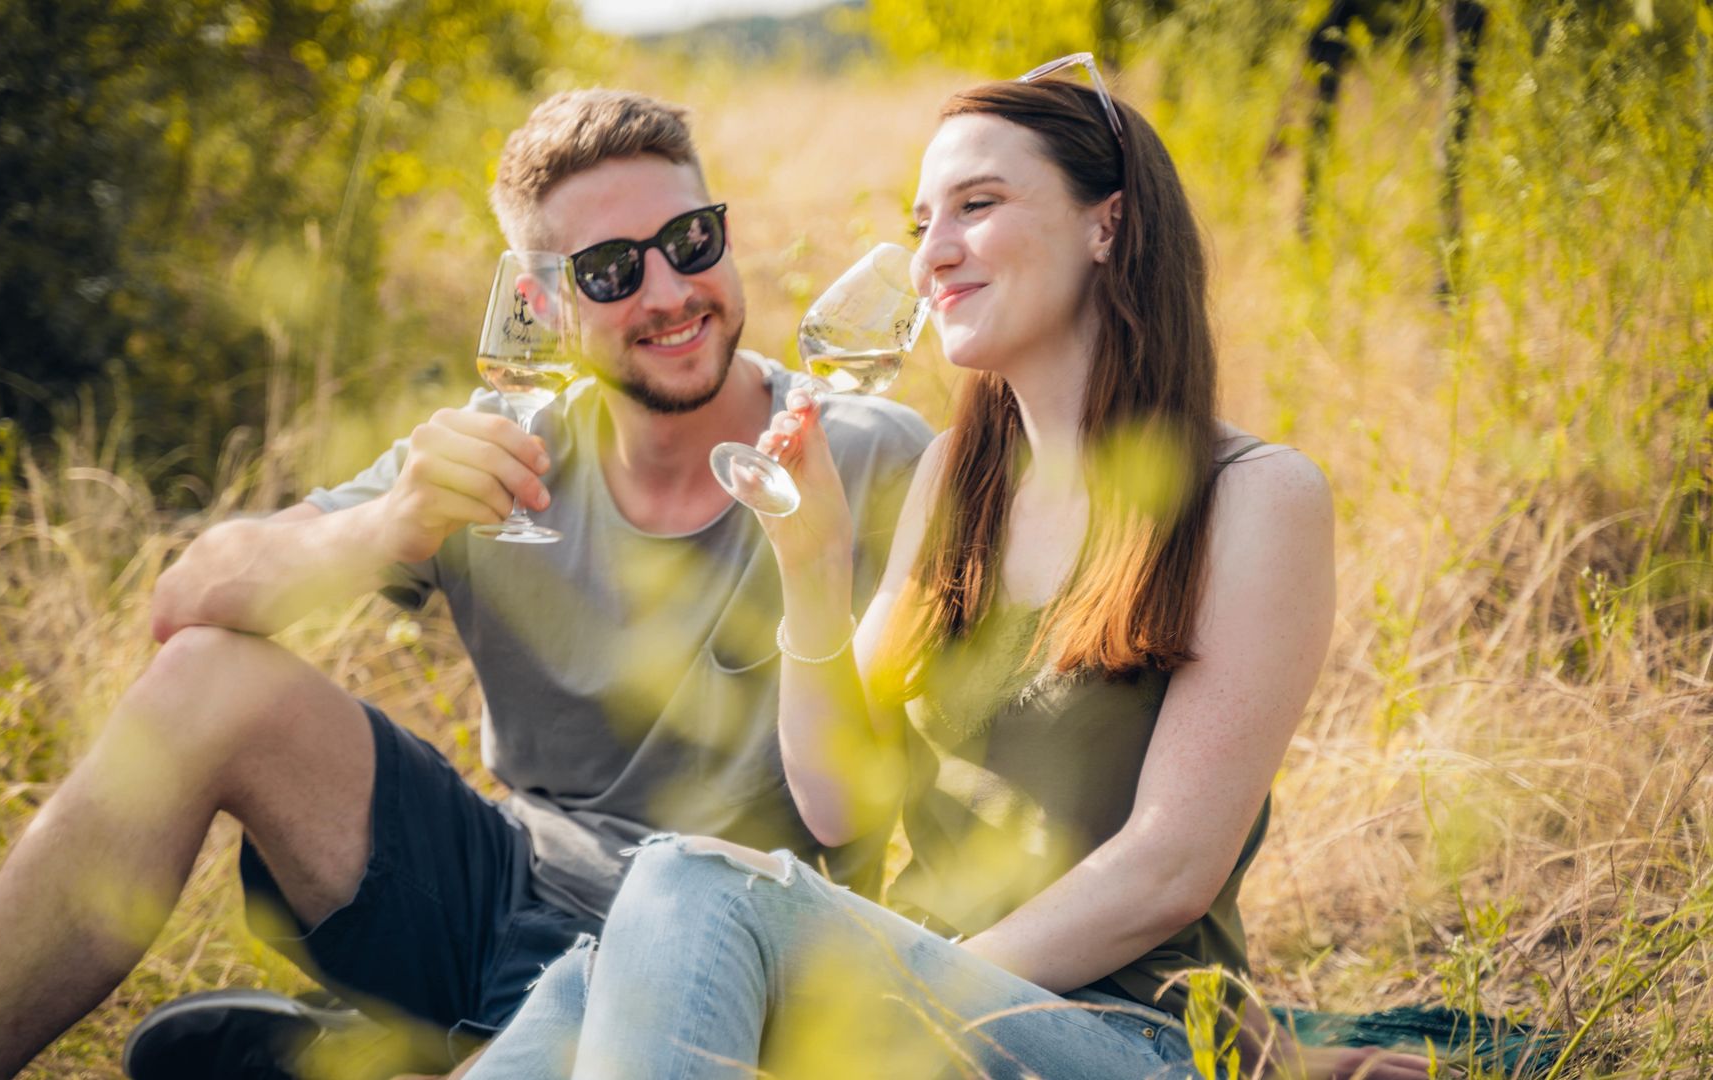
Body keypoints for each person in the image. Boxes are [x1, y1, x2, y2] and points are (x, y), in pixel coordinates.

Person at [0, 89, 932, 1080]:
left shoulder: (872, 461)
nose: (668, 292)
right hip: (504, 891)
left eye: (690, 241)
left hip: (730, 958)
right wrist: (385, 524)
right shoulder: (508, 449)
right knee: (203, 680)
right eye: (610, 270)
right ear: (543, 304)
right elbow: (183, 601)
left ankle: (414, 1056)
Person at [454, 64, 1448, 1080]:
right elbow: (838, 802)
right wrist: (812, 562)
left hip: (1119, 1029)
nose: (933, 254)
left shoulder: (1255, 497)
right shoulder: (953, 480)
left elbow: (1168, 873)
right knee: (592, 971)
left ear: (1107, 224)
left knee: (685, 889)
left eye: (977, 206)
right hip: (923, 994)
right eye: (922, 221)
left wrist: (885, 1011)